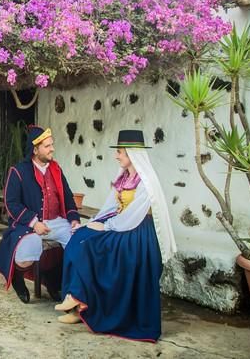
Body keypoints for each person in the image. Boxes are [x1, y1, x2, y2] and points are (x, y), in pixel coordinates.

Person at [54, 129, 177, 342]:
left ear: (132, 154)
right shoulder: (123, 178)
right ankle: (77, 303)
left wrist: (107, 226)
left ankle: (79, 299)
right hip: (121, 225)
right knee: (78, 238)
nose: (117, 155)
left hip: (137, 234)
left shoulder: (145, 183)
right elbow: (111, 205)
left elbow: (133, 216)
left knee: (93, 248)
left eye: (120, 152)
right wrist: (95, 222)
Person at [0, 125, 81, 303]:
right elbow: (12, 203)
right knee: (27, 253)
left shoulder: (56, 169)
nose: (52, 149)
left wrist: (73, 219)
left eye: (52, 145)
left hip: (57, 221)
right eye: (47, 146)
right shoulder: (18, 171)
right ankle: (18, 278)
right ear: (35, 149)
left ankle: (57, 281)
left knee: (78, 242)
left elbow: (68, 196)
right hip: (29, 224)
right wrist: (34, 222)